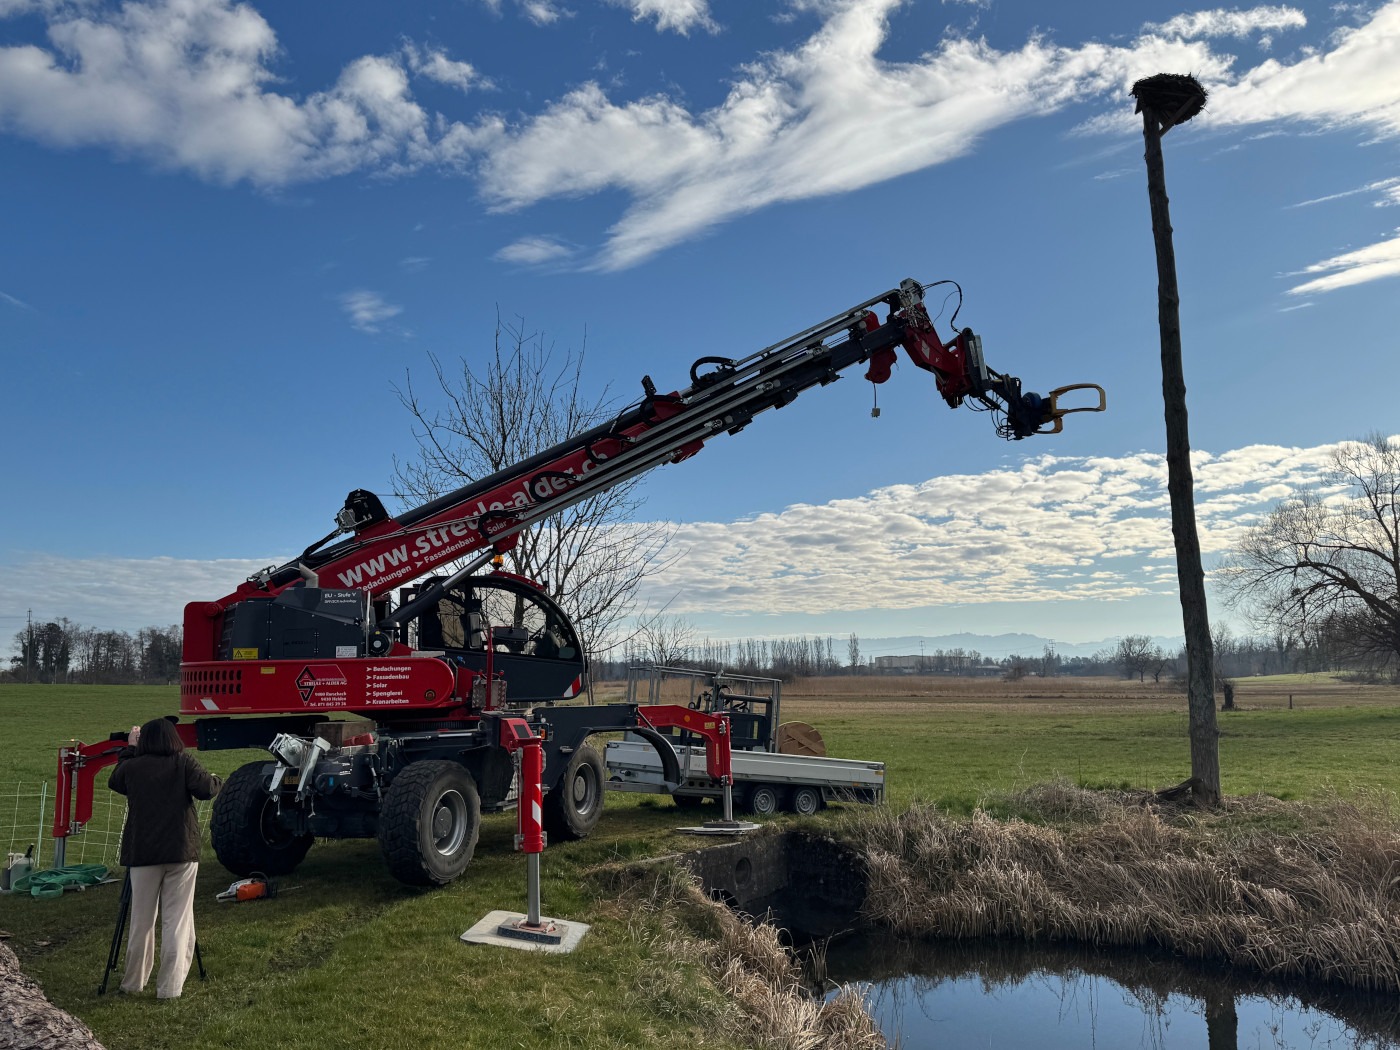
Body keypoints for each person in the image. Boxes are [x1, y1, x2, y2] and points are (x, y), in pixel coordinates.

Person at [109, 717, 222, 999]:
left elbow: (116, 780)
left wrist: (129, 748)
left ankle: (133, 982)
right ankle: (170, 988)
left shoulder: (133, 766)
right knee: (176, 920)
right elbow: (206, 789)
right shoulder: (183, 762)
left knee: (141, 920)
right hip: (181, 851)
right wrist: (217, 780)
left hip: (143, 853)